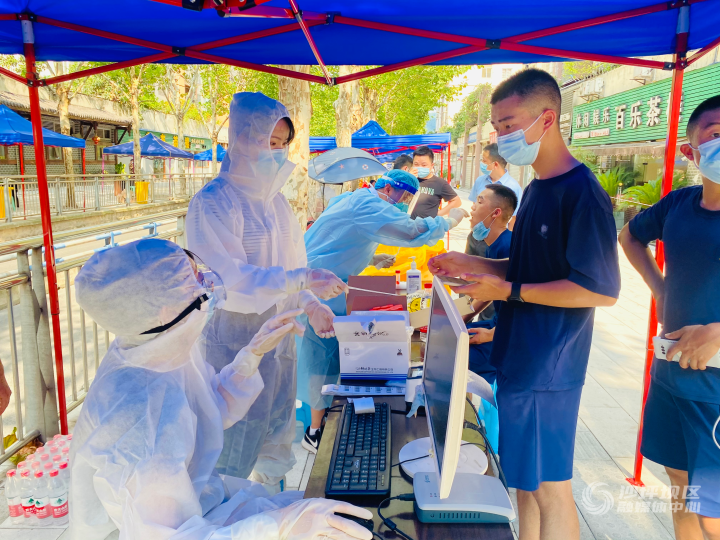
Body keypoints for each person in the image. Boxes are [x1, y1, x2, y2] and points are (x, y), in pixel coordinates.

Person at [69, 239, 372, 540]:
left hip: (206, 511)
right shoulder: (136, 416)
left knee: (338, 511)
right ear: (164, 309)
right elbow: (170, 536)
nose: (208, 284)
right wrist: (277, 527)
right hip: (181, 531)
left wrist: (251, 355)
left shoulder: (155, 346)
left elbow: (206, 408)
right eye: (193, 281)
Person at [427, 68, 620, 540]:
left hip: (548, 367)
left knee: (551, 491)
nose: (501, 137)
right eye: (497, 127)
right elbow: (528, 266)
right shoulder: (535, 187)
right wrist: (474, 266)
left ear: (546, 119)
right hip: (519, 357)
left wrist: (507, 291)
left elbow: (600, 289)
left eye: (509, 125)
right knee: (525, 485)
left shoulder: (582, 193)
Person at [186, 93, 347, 492]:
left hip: (279, 342)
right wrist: (303, 280)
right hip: (235, 341)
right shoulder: (214, 202)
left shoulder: (276, 205)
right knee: (232, 444)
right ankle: (229, 516)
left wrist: (310, 304)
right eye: (268, 142)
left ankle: (273, 504)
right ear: (241, 138)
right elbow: (232, 281)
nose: (276, 153)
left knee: (277, 432)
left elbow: (291, 268)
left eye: (282, 144)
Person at [297, 169, 468, 453]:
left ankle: (323, 416)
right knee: (319, 362)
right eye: (404, 196)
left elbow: (342, 240)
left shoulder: (355, 198)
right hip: (317, 291)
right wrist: (449, 220)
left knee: (328, 358)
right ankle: (314, 432)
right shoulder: (367, 204)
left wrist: (373, 258)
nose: (404, 204)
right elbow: (411, 231)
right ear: (388, 188)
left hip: (327, 284)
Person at [619, 95, 720, 540]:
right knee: (680, 486)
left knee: (713, 514)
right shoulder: (679, 204)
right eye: (716, 133)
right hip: (670, 376)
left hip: (715, 391)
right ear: (690, 150)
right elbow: (630, 236)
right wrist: (660, 289)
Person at [463, 184, 517, 383]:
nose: (472, 207)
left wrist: (491, 335)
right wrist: (461, 318)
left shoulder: (509, 247)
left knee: (445, 356)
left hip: (508, 336)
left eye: (479, 201)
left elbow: (523, 305)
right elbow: (488, 294)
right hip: (496, 326)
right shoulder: (492, 246)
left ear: (496, 213)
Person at [468, 143, 523, 230]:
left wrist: (508, 237)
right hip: (477, 233)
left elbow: (513, 219)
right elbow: (475, 208)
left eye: (484, 161)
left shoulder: (513, 187)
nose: (482, 163)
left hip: (499, 235)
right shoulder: (480, 181)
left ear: (495, 164)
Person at [409, 146, 461, 219]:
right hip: (407, 224)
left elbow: (457, 201)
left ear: (431, 166)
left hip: (428, 225)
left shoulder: (439, 183)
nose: (420, 167)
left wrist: (439, 214)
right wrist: (408, 178)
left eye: (424, 165)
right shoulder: (409, 180)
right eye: (416, 164)